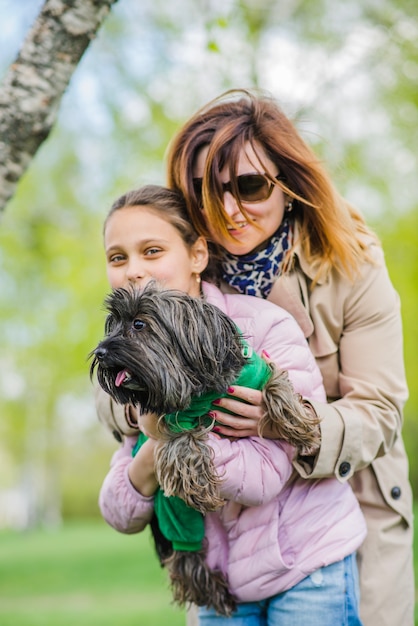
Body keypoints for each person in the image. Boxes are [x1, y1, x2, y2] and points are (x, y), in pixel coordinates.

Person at [165, 88, 414, 626]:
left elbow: (379, 409)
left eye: (249, 186)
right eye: (207, 190)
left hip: (340, 527)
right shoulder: (181, 272)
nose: (228, 211)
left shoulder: (352, 264)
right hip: (229, 543)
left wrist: (283, 421)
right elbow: (114, 388)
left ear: (288, 184)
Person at [95, 184, 367, 625]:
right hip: (217, 585)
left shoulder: (261, 331)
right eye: (117, 257)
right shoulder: (132, 358)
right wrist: (152, 452)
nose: (134, 271)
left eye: (152, 250)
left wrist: (177, 439)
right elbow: (118, 511)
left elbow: (264, 477)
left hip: (304, 566)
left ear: (198, 255)